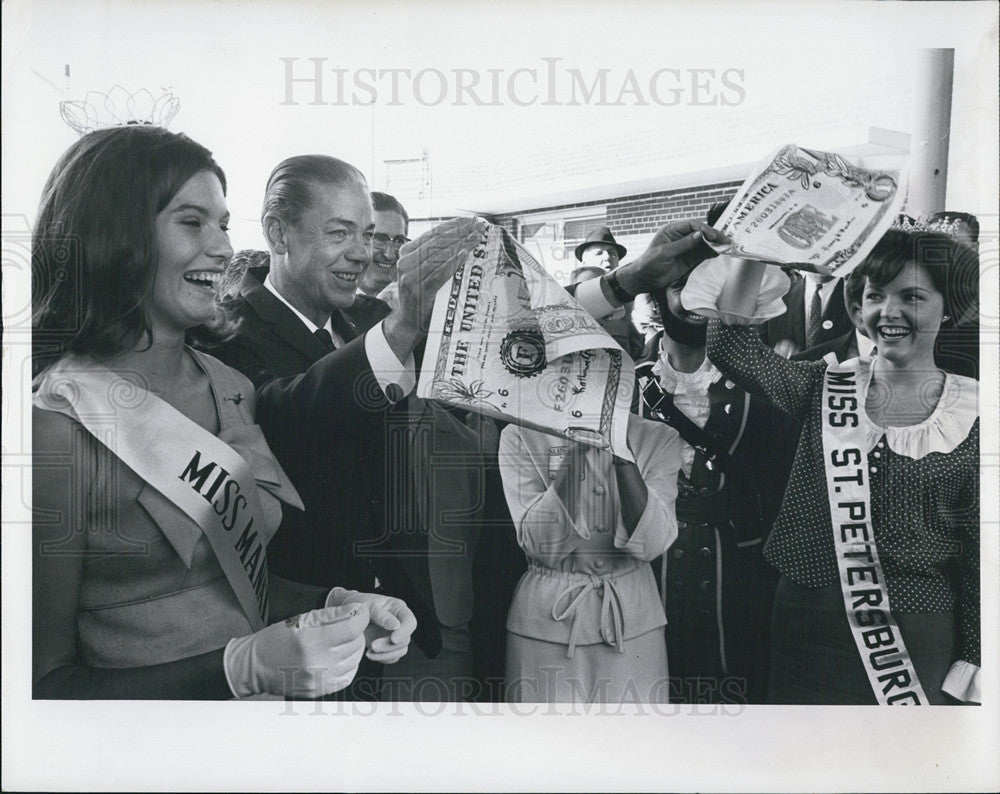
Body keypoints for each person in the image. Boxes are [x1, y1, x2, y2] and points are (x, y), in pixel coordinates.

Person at [31, 126, 414, 700]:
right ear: (113, 235)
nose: (224, 248)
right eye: (192, 222)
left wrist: (333, 604)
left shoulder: (231, 388)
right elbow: (41, 688)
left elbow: (231, 589)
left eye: (224, 224)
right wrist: (237, 671)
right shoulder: (53, 425)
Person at [209, 154, 485, 685]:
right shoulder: (229, 335)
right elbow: (288, 416)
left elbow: (481, 365)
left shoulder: (371, 318)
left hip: (392, 618)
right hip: (296, 629)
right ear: (278, 232)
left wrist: (620, 284)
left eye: (368, 234)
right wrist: (405, 324)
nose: (361, 254)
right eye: (340, 233)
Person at [686, 226, 980, 704]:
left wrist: (976, 663)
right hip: (806, 619)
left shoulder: (977, 415)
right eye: (875, 296)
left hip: (915, 638)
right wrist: (754, 252)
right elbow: (731, 349)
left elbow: (983, 559)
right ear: (858, 310)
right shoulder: (824, 386)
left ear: (947, 308)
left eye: (913, 297)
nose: (890, 311)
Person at [634, 266, 797, 704]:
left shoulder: (771, 386)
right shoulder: (621, 386)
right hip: (643, 588)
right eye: (680, 286)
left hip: (743, 591)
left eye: (714, 287)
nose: (696, 299)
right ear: (653, 299)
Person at [499, 415, 681, 703]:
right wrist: (576, 454)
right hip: (545, 627)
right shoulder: (520, 435)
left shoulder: (659, 437)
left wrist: (621, 456)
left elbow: (653, 544)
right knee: (542, 743)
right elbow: (540, 544)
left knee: (636, 743)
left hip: (633, 625)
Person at [344, 191, 405, 332]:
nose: (389, 255)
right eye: (379, 239)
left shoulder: (412, 305)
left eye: (398, 241)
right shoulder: (333, 303)